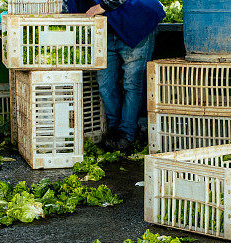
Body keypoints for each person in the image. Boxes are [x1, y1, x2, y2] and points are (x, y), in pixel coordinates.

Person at [66, 0, 165, 152]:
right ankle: (114, 131)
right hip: (105, 29)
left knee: (132, 84)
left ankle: (126, 134)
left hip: (136, 20)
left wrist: (101, 7)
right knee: (105, 85)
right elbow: (70, 8)